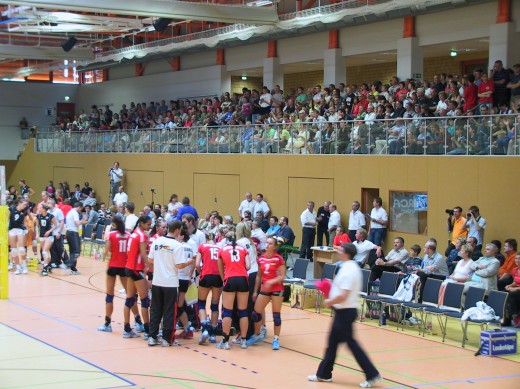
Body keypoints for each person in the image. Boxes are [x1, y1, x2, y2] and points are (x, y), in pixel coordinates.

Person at [308, 243, 382, 387]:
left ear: (346, 253)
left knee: (352, 345)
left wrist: (329, 301)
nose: (338, 250)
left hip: (346, 312)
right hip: (341, 312)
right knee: (332, 344)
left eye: (340, 249)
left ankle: (373, 375)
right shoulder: (346, 266)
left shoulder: (350, 270)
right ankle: (323, 374)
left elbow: (344, 295)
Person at [97, 216, 144, 334]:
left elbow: (106, 252)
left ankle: (107, 323)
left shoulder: (111, 235)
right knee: (130, 295)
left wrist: (101, 255)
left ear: (114, 224)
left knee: (109, 295)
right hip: (125, 267)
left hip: (113, 266)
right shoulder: (129, 235)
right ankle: (138, 321)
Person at [147, 219, 188, 347]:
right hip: (170, 283)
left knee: (155, 310)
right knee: (170, 311)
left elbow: (149, 260)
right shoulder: (177, 245)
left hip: (157, 281)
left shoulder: (157, 241)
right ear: (177, 230)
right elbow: (180, 265)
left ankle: (152, 337)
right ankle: (167, 339)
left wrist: (157, 271)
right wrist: (189, 262)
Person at [247, 237, 286, 350]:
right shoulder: (261, 259)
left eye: (270, 243)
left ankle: (276, 339)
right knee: (255, 313)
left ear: (274, 246)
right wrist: (255, 291)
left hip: (277, 289)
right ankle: (257, 334)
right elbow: (259, 276)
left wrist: (271, 281)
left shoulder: (279, 259)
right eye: (266, 243)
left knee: (276, 316)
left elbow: (282, 276)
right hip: (265, 289)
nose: (267, 245)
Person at [217, 232, 251, 350]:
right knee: (243, 311)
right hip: (243, 279)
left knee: (227, 311)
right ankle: (243, 341)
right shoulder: (243, 249)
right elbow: (248, 266)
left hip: (230, 279)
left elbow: (220, 267)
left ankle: (226, 342)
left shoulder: (222, 250)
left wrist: (224, 279)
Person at [123, 216, 152, 339]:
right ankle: (147, 331)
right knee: (145, 300)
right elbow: (144, 256)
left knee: (130, 299)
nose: (150, 226)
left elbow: (129, 252)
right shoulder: (141, 236)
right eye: (148, 224)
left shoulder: (133, 234)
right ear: (142, 223)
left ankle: (127, 328)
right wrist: (153, 268)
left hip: (129, 268)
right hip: (136, 270)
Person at [196, 232, 223, 344]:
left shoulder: (202, 246)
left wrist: (201, 273)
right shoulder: (220, 248)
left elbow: (197, 264)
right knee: (215, 305)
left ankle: (205, 330)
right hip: (218, 276)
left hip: (206, 275)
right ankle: (213, 334)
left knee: (201, 303)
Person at [174, 223, 197, 340]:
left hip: (177, 278)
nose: (175, 236)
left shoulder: (178, 246)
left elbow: (178, 264)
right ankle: (187, 329)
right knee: (179, 306)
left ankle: (170, 330)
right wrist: (190, 276)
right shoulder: (191, 245)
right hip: (185, 279)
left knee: (174, 305)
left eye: (177, 234)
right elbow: (195, 260)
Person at [416, 238, 449, 302]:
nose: (423, 248)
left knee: (422, 275)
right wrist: (418, 270)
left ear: (429, 249)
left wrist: (420, 269)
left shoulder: (439, 258)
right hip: (432, 274)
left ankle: (421, 299)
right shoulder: (426, 256)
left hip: (442, 276)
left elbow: (428, 271)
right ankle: (416, 296)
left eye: (425, 247)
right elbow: (426, 269)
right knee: (418, 274)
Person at [8, 197, 30, 274]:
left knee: (21, 249)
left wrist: (27, 228)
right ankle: (18, 267)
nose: (25, 206)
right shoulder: (11, 209)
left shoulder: (24, 211)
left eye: (26, 205)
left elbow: (25, 221)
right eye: (24, 204)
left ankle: (24, 266)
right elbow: (7, 219)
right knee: (13, 250)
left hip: (20, 229)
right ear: (19, 203)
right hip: (12, 229)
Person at [65, 202, 88, 275]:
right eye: (81, 209)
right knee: (77, 251)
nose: (81, 211)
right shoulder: (75, 213)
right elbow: (77, 223)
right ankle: (68, 263)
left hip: (68, 232)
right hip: (73, 233)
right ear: (79, 207)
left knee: (72, 251)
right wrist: (84, 220)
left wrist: (83, 221)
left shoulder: (70, 212)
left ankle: (73, 269)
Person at [35, 204, 57, 276]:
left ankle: (44, 269)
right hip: (42, 236)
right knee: (45, 252)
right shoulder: (38, 216)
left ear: (44, 209)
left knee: (44, 251)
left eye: (40, 208)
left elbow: (56, 225)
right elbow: (37, 226)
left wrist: (49, 231)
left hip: (49, 237)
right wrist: (37, 234)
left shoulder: (50, 216)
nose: (39, 209)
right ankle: (49, 265)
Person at [504, 253, 520, 328]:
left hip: (518, 290)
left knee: (512, 294)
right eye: (516, 258)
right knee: (504, 294)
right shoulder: (515, 270)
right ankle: (507, 320)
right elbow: (515, 282)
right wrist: (509, 286)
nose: (517, 260)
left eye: (519, 259)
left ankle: (516, 316)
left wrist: (514, 289)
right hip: (517, 289)